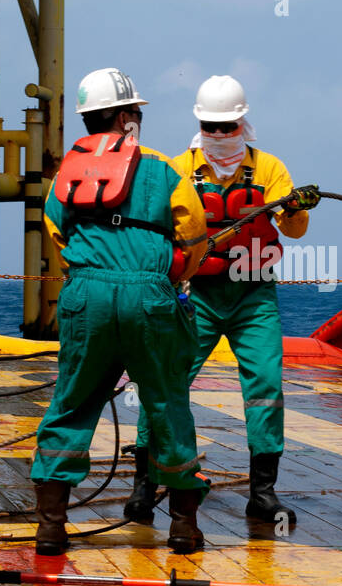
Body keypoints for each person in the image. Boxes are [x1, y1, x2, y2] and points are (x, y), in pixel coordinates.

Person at [125, 75, 319, 529]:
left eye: (227, 127)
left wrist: (294, 207)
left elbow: (295, 231)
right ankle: (143, 486)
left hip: (254, 295)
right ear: (199, 123)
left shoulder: (269, 169)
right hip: (197, 296)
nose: (218, 135)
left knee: (266, 387)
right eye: (210, 126)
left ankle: (263, 494)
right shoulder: (176, 169)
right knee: (166, 382)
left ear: (242, 123)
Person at [33, 67, 210, 555]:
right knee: (168, 404)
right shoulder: (162, 167)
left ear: (89, 119)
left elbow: (56, 231)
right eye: (136, 111)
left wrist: (93, 268)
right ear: (129, 116)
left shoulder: (68, 168)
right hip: (150, 298)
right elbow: (193, 233)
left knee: (71, 403)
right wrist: (170, 274)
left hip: (85, 294)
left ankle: (50, 527)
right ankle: (182, 527)